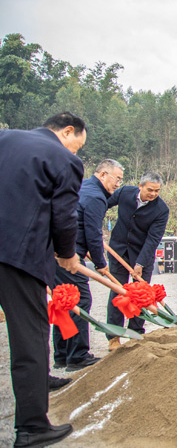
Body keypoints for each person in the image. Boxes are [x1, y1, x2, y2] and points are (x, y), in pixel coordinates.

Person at [0, 112, 86, 446]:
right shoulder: (62, 158)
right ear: (68, 132)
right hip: (17, 257)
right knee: (31, 337)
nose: (76, 154)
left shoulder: (5, 138)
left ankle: (41, 379)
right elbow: (64, 216)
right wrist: (67, 253)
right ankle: (32, 427)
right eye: (77, 146)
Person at [53, 159, 124, 372]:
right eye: (116, 179)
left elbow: (81, 226)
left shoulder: (82, 187)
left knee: (64, 300)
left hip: (56, 251)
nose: (117, 184)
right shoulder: (95, 197)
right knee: (80, 300)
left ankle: (62, 354)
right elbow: (93, 233)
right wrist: (101, 263)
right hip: (69, 256)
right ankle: (78, 356)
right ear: (103, 174)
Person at [105, 171, 169, 351]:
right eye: (150, 190)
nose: (153, 194)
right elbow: (103, 204)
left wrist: (140, 264)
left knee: (141, 295)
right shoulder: (125, 192)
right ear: (140, 186)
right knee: (117, 293)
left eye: (157, 191)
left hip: (142, 254)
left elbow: (153, 239)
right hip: (119, 251)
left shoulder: (161, 209)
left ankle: (136, 333)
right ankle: (114, 336)